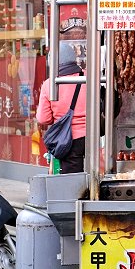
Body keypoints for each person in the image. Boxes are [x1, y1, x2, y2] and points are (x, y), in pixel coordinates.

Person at [36, 43, 87, 174]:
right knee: (95, 176)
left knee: (73, 183)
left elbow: (43, 118)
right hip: (92, 137)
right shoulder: (88, 77)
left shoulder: (50, 84)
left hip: (67, 141)